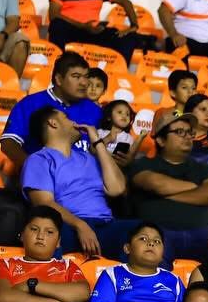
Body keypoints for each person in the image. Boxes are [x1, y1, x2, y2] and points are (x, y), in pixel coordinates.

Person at [22, 105, 135, 259]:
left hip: (105, 224)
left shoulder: (89, 158)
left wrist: (98, 142)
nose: (74, 122)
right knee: (50, 235)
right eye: (67, 118)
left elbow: (118, 188)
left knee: (143, 232)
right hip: (68, 225)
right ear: (53, 123)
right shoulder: (39, 159)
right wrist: (80, 225)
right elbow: (44, 203)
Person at [127, 109, 208, 265]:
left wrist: (165, 194)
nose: (187, 137)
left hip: (201, 235)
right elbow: (158, 184)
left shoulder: (203, 168)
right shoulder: (143, 164)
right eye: (180, 132)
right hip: (160, 235)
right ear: (161, 140)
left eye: (189, 132)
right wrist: (195, 187)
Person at [0, 52, 101, 169]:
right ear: (58, 79)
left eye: (86, 77)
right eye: (76, 76)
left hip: (84, 180)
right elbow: (8, 143)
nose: (84, 83)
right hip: (44, 179)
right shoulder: (31, 103)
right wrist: (34, 169)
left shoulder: (95, 110)